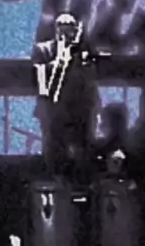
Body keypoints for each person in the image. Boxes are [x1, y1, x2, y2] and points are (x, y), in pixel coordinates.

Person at [32, 13, 98, 175]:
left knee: (83, 146)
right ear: (56, 30)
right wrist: (58, 62)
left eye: (69, 30)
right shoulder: (44, 49)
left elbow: (90, 76)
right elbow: (38, 73)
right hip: (54, 108)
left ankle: (81, 177)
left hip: (79, 108)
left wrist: (81, 57)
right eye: (62, 29)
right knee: (54, 146)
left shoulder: (82, 52)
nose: (65, 34)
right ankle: (55, 174)